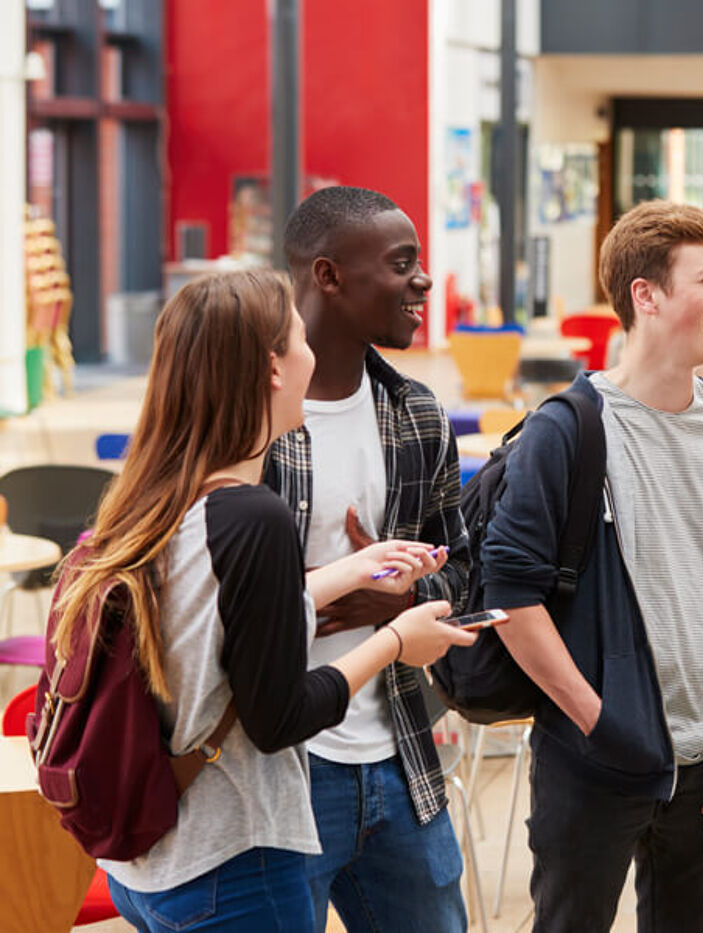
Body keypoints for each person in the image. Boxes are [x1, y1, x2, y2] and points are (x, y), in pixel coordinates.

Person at [51, 269, 474, 931]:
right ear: (272, 369)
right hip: (234, 862)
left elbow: (215, 627)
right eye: (300, 339)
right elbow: (280, 715)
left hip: (151, 865)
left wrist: (350, 571)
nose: (313, 355)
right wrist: (396, 642)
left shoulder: (158, 500)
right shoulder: (255, 517)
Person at [479, 200, 703, 933]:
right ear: (645, 296)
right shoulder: (567, 430)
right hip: (594, 765)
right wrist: (600, 723)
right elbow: (511, 591)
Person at [265, 186, 473, 932]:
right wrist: (324, 589)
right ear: (327, 276)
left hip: (399, 755)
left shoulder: (416, 414)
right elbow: (203, 590)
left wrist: (406, 602)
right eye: (401, 264)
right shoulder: (249, 415)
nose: (423, 281)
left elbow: (465, 569)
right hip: (279, 769)